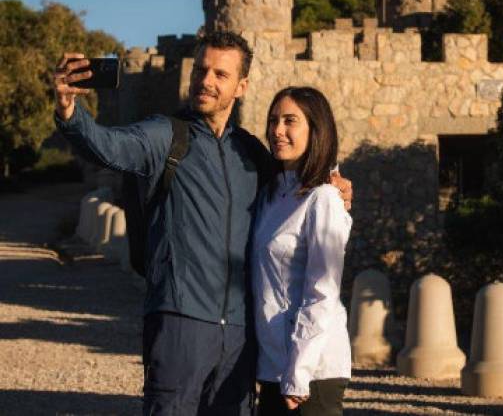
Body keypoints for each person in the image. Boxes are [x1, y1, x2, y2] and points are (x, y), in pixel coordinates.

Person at [52, 32, 352, 415]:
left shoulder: (252, 154)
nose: (206, 80)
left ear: (241, 87)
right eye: (201, 70)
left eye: (220, 74)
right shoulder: (165, 136)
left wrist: (334, 180)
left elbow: (301, 177)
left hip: (242, 339)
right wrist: (69, 113)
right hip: (181, 323)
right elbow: (108, 145)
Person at [252, 87, 351, 416]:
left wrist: (299, 373)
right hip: (273, 369)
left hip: (312, 374)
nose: (277, 130)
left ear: (315, 130)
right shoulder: (271, 195)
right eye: (273, 120)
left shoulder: (323, 198)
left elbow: (322, 291)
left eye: (290, 121)